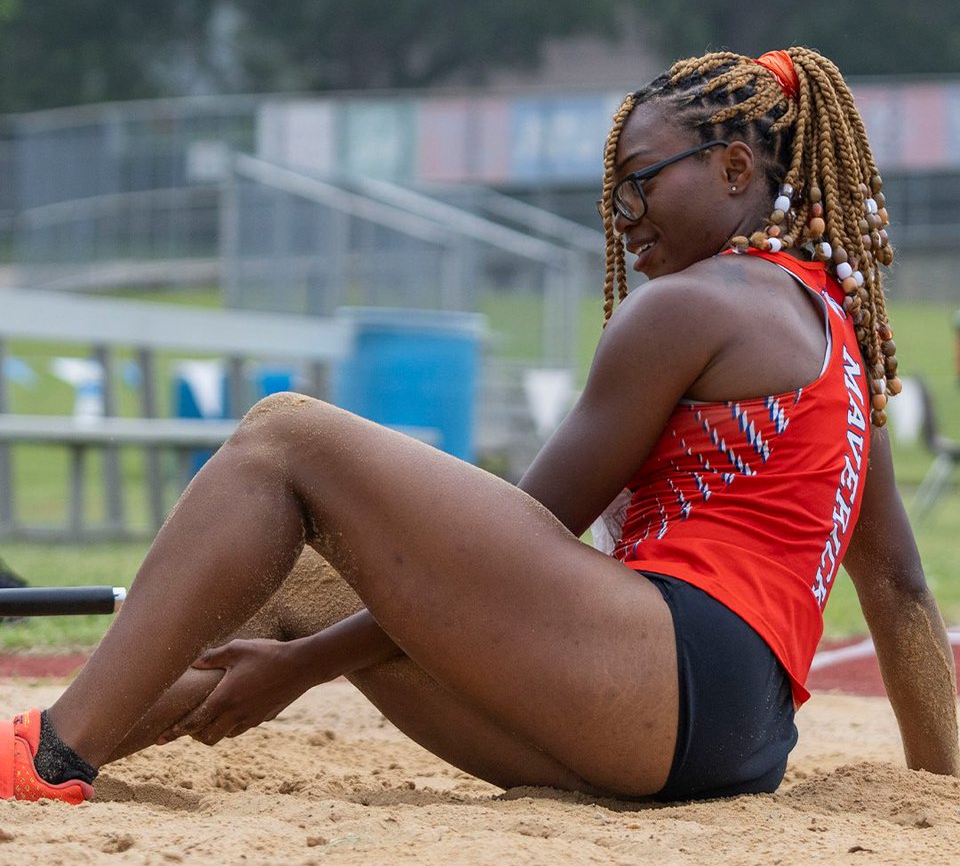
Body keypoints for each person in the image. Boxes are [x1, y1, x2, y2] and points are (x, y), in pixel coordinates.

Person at [2, 47, 958, 806]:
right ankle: (59, 746)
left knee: (285, 436)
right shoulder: (836, 338)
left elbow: (533, 525)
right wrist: (940, 789)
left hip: (661, 677)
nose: (621, 214)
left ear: (736, 166)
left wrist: (302, 668)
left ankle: (46, 757)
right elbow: (903, 592)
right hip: (730, 743)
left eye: (641, 180)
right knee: (293, 579)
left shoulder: (695, 307)